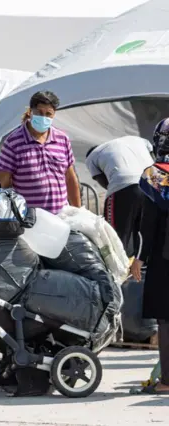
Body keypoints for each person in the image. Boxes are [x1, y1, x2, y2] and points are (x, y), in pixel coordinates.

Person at [130, 118, 169, 395]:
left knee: (166, 319)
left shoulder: (155, 174)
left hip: (165, 258)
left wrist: (139, 258)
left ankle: (167, 381)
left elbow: (148, 223)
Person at [0, 91, 81, 214]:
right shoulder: (13, 142)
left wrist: (78, 212)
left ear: (54, 115)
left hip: (61, 217)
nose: (44, 118)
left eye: (48, 114)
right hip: (30, 221)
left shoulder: (62, 139)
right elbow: (2, 184)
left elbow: (70, 178)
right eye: (39, 113)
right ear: (30, 112)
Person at [86, 136, 154, 256]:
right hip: (153, 184)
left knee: (115, 236)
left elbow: (104, 181)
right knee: (145, 230)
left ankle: (117, 268)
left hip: (125, 185)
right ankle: (144, 266)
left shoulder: (91, 157)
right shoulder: (136, 140)